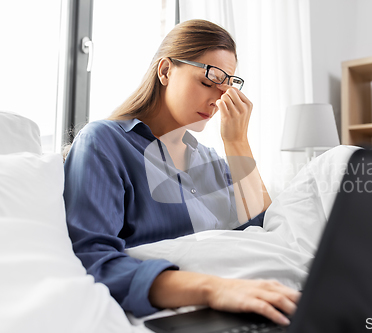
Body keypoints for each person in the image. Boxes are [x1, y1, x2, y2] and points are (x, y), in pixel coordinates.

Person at [63, 19, 299, 326]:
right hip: (185, 311)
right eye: (206, 82)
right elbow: (91, 257)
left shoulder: (213, 162)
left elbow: (262, 232)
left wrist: (237, 141)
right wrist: (215, 289)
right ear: (165, 71)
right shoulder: (105, 142)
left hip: (242, 306)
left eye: (225, 87)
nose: (217, 99)